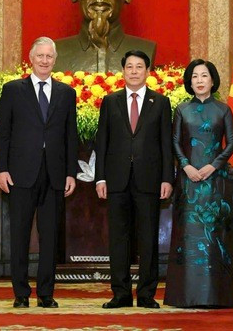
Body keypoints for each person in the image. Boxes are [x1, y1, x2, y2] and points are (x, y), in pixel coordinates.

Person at [0, 36, 79, 308]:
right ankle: (20, 293)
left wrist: (70, 173)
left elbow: (70, 136)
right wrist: (1, 169)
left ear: (55, 60)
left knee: (50, 236)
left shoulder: (66, 93)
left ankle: (46, 293)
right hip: (19, 173)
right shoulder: (12, 90)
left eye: (49, 57)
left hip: (54, 174)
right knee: (19, 234)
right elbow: (3, 134)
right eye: (40, 56)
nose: (44, 61)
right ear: (31, 58)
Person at [94, 49, 173, 309]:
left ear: (148, 72)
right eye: (130, 66)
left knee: (148, 238)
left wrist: (167, 178)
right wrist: (100, 178)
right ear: (123, 71)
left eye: (140, 67)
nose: (135, 71)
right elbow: (102, 143)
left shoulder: (160, 103)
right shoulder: (110, 101)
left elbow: (165, 144)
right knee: (119, 238)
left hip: (149, 180)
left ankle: (147, 294)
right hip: (116, 180)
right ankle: (121, 293)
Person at [163, 59, 233, 308]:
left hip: (216, 181)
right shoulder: (182, 110)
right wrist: (185, 165)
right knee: (189, 235)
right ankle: (185, 295)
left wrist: (213, 165)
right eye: (194, 76)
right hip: (188, 182)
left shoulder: (223, 109)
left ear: (213, 80)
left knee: (217, 233)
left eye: (204, 76)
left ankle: (219, 296)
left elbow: (231, 144)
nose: (199, 80)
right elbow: (174, 141)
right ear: (189, 81)